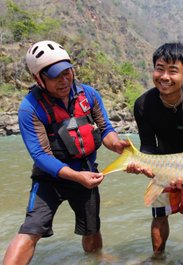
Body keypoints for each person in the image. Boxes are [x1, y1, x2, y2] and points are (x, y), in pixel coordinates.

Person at [2, 40, 130, 265]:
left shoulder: (88, 95)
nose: (64, 80)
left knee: (91, 228)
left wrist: (117, 145)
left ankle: (94, 261)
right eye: (54, 76)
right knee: (31, 228)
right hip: (49, 177)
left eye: (66, 72)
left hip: (86, 172)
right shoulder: (30, 108)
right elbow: (40, 155)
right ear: (37, 78)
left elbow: (106, 129)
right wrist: (74, 176)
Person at [127, 42, 183, 262]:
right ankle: (158, 258)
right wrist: (143, 165)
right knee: (159, 215)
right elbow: (147, 145)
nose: (164, 76)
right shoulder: (143, 104)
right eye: (159, 68)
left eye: (173, 71)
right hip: (161, 165)